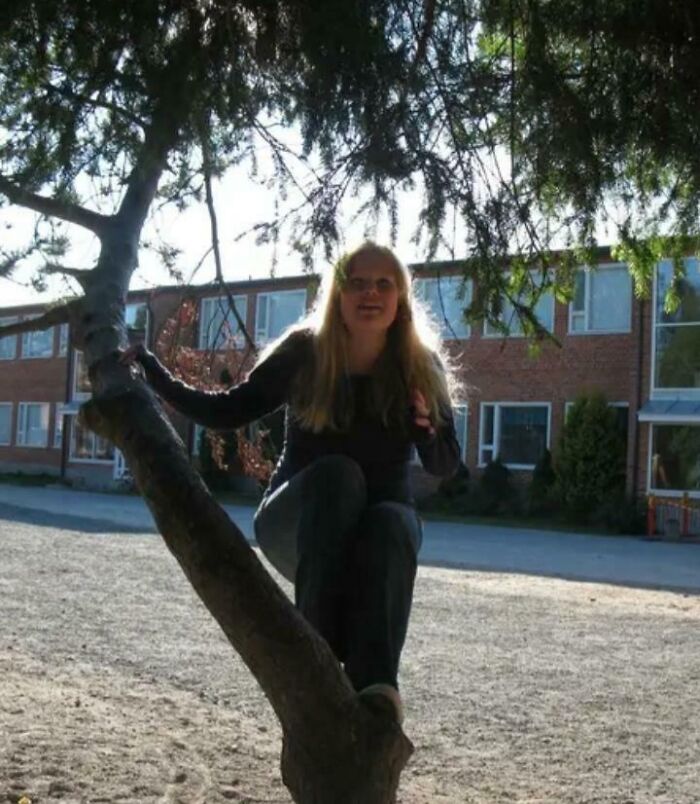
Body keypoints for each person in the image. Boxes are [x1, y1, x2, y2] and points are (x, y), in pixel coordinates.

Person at [121, 242, 461, 723]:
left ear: (401, 297)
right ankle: (317, 665)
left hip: (374, 536)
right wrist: (152, 372)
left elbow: (446, 463)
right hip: (294, 523)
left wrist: (427, 430)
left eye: (384, 283)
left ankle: (376, 686)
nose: (370, 293)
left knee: (395, 522)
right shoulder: (305, 351)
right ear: (337, 293)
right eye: (357, 282)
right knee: (339, 476)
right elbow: (227, 410)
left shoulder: (419, 365)